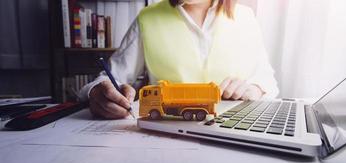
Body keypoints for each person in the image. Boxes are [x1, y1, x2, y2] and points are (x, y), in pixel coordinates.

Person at [79, 0, 279, 119]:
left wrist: (254, 88)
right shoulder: (148, 18)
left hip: (235, 132)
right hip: (167, 138)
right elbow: (109, 78)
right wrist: (96, 92)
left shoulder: (246, 16)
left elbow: (267, 81)